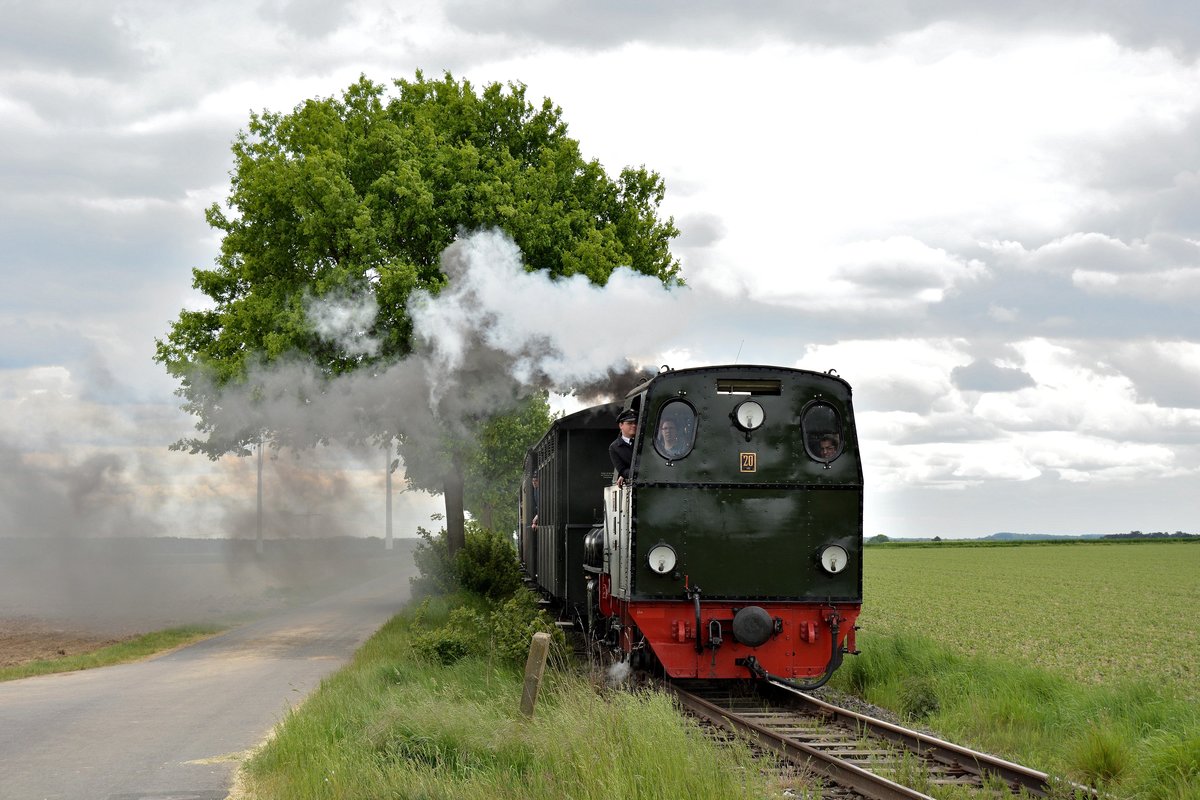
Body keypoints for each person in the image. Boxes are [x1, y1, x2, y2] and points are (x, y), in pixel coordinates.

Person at [609, 409, 637, 486]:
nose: (634, 425)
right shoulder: (614, 448)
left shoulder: (646, 441)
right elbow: (622, 470)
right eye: (630, 423)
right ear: (621, 425)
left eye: (635, 423)